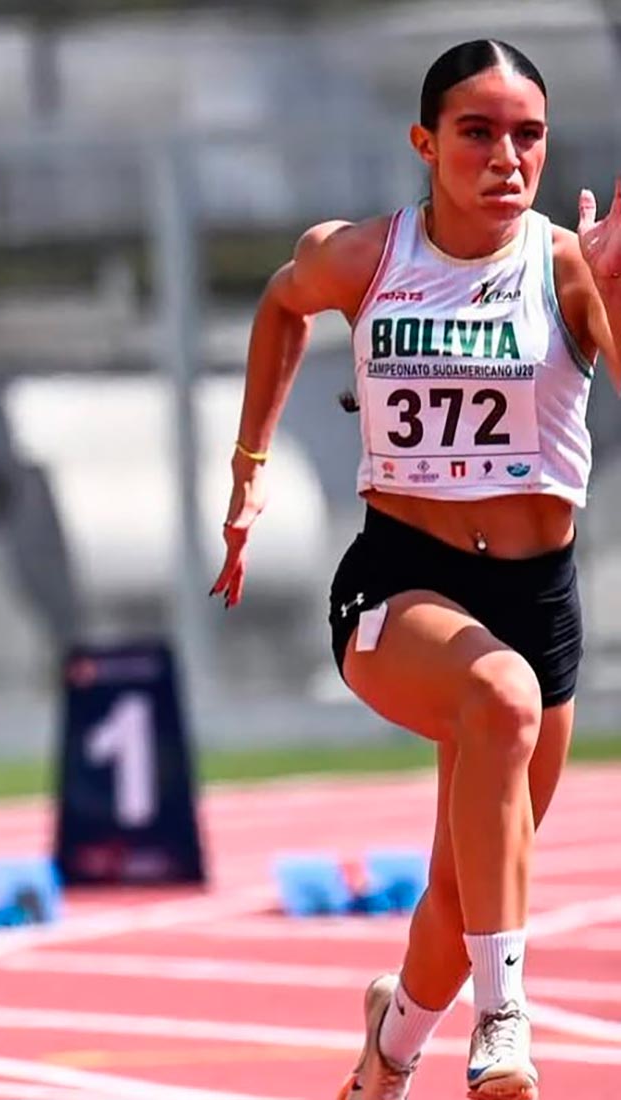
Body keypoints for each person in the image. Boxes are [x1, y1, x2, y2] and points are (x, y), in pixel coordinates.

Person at [212, 38, 619, 1100]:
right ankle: (506, 1015)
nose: (506, 158)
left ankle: (383, 1061)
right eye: (477, 133)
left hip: (537, 596)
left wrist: (617, 287)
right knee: (499, 695)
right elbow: (281, 305)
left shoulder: (569, 267)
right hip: (398, 581)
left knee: (462, 891)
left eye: (527, 135)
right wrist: (250, 467)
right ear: (425, 144)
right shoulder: (362, 256)